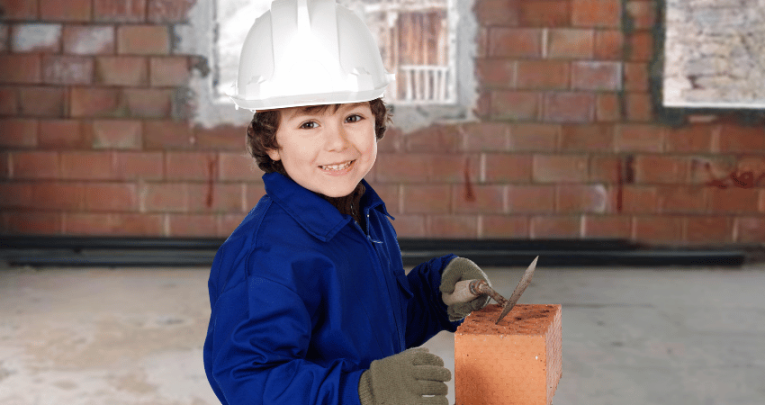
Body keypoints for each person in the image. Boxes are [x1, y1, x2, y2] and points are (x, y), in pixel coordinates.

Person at [203, 0, 493, 404]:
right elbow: (249, 382)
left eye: (353, 118)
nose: (337, 143)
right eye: (309, 123)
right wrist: (364, 391)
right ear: (271, 142)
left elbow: (371, 331)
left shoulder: (363, 218)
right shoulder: (268, 259)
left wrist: (433, 297)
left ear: (377, 121)